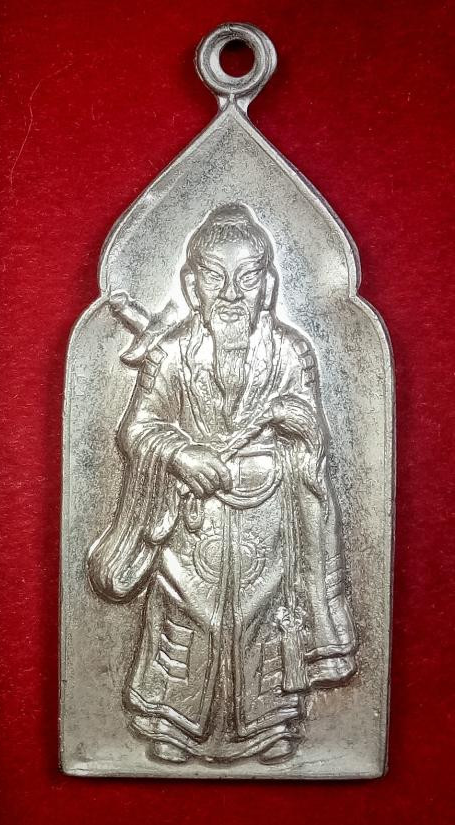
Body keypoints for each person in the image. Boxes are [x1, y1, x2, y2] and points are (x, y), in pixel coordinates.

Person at [88, 203, 357, 764]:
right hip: (192, 522)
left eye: (247, 277)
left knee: (265, 620)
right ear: (193, 286)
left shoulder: (291, 351)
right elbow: (137, 429)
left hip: (268, 515)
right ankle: (170, 723)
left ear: (268, 285)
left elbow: (315, 433)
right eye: (215, 278)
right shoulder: (171, 353)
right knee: (185, 617)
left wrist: (297, 425)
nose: (232, 294)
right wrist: (181, 453)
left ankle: (271, 724)